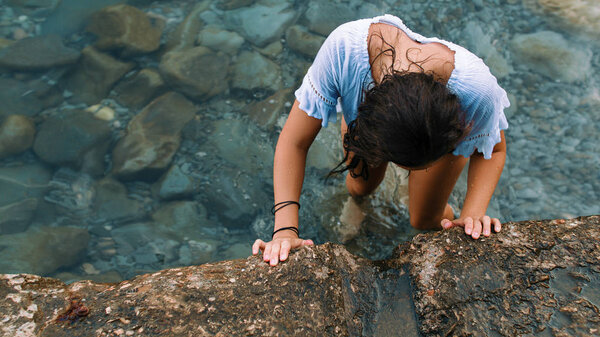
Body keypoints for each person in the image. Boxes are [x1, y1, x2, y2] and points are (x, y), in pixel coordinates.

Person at [252, 14, 509, 266]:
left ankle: (441, 214)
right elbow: (294, 142)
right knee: (359, 187)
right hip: (369, 119)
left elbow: (493, 150)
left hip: (434, 133)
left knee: (423, 219)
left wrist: (471, 215)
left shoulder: (475, 91)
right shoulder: (344, 50)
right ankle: (357, 203)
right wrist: (285, 230)